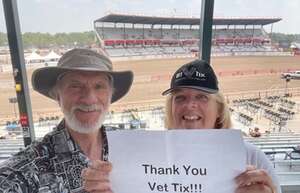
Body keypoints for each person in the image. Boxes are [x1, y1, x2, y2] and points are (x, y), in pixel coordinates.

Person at [0, 48, 133, 193]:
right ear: (57, 95)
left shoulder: (135, 148)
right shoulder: (20, 176)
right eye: (75, 86)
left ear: (110, 95)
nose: (89, 99)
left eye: (99, 86)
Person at [162, 59, 281, 193]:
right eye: (180, 97)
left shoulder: (251, 157)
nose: (189, 105)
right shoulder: (150, 154)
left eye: (202, 97)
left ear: (218, 109)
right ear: (171, 108)